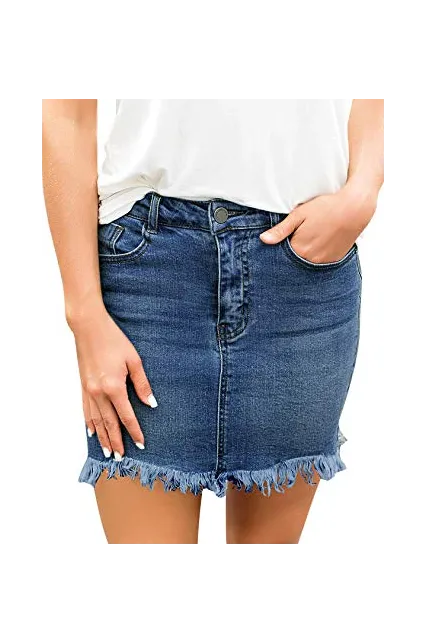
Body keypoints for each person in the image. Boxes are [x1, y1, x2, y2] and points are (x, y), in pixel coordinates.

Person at [41, 96, 384, 544]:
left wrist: (365, 187)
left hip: (300, 278)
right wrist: (84, 315)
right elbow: (67, 111)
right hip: (150, 274)